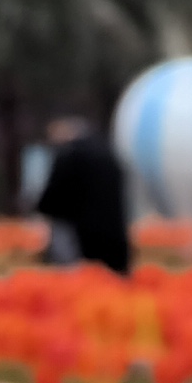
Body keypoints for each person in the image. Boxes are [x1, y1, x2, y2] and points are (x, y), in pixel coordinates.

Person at [34, 111, 132, 272]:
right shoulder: (107, 152)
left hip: (82, 238)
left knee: (84, 280)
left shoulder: (69, 155)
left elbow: (53, 198)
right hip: (115, 235)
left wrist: (40, 207)